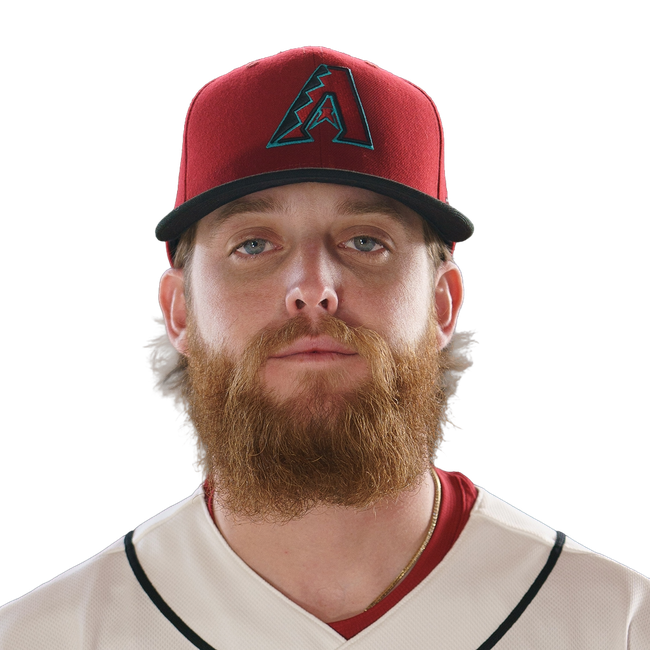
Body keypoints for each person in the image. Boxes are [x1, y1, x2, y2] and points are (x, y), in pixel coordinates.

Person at [1, 44, 648, 649]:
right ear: (179, 312)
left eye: (366, 241)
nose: (313, 289)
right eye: (254, 244)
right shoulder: (45, 637)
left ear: (443, 304)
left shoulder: (616, 620)